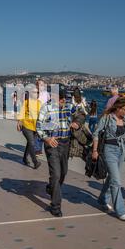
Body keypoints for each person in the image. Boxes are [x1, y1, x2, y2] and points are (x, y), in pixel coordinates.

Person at [36, 89, 79, 217]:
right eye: (61, 99)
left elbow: (82, 112)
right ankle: (55, 206)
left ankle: (51, 187)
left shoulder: (68, 106)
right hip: (52, 143)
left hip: (65, 143)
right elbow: (39, 126)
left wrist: (77, 122)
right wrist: (47, 138)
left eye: (65, 99)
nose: (63, 101)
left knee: (63, 172)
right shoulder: (46, 108)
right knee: (56, 174)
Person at [17, 86, 42, 169]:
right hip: (26, 126)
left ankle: (24, 158)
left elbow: (42, 115)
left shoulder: (39, 103)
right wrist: (19, 122)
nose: (37, 94)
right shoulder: (27, 102)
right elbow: (22, 112)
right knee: (32, 143)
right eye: (35, 92)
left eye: (38, 92)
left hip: (35, 127)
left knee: (29, 144)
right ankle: (35, 162)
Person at [35, 80, 50, 157]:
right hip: (37, 114)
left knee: (42, 131)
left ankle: (39, 148)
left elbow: (49, 103)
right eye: (39, 84)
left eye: (42, 85)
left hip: (45, 115)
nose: (41, 86)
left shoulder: (46, 94)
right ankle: (37, 149)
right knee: (38, 132)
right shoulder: (35, 93)